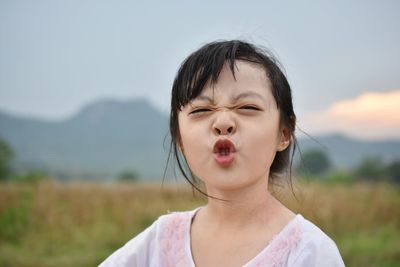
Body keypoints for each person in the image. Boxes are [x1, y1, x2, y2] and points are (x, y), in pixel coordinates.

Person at [99, 40, 345, 267]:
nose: (223, 122)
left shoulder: (309, 251)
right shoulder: (159, 242)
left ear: (284, 133)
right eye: (202, 110)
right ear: (180, 139)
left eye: (247, 107)